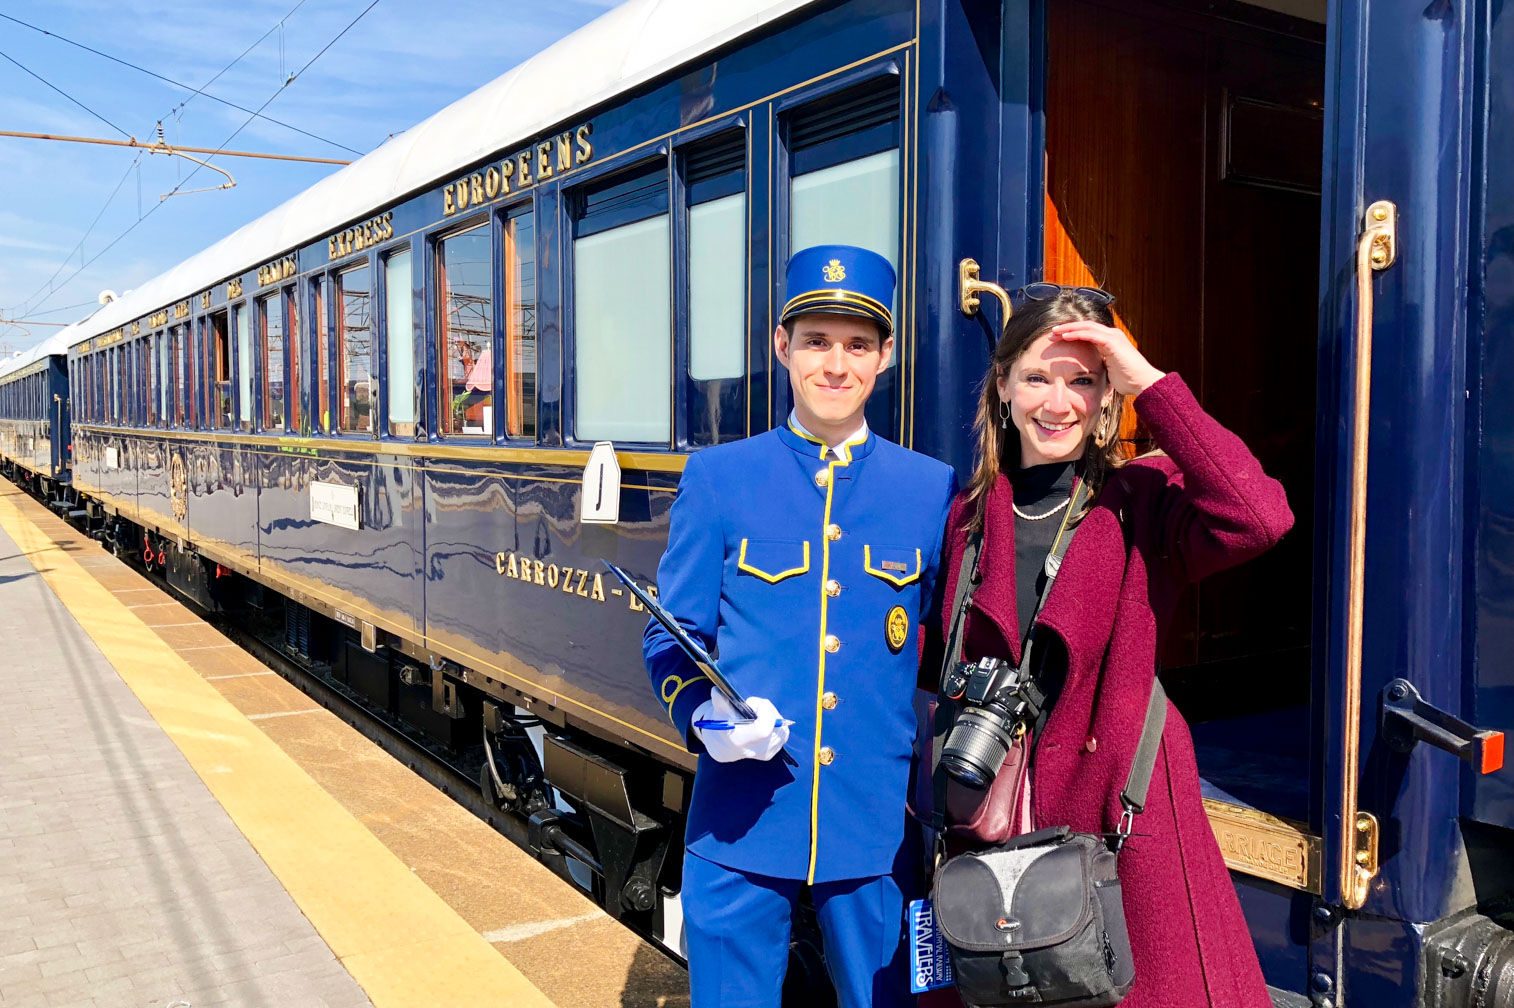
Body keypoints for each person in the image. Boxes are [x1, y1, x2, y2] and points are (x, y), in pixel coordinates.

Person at [928, 284, 1292, 1008]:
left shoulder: (1143, 499)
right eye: (1037, 377)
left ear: (1105, 399)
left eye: (1083, 382)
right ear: (1002, 387)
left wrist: (1148, 382)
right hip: (997, 823)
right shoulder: (968, 516)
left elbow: (1259, 518)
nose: (1057, 403)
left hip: (1123, 825)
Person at [643, 244, 956, 1008]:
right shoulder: (720, 478)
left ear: (885, 356)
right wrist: (703, 716)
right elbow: (670, 633)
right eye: (816, 340)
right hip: (742, 824)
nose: (835, 364)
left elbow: (943, 652)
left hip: (876, 831)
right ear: (781, 347)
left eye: (857, 344)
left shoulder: (930, 489)